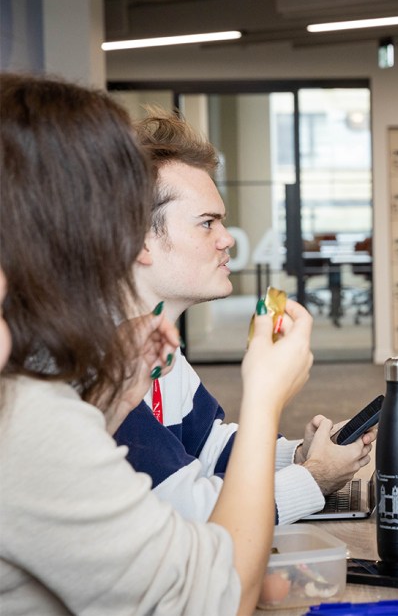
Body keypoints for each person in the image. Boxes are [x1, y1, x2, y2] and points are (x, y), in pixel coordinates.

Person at [0, 73, 313, 614]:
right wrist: (264, 395)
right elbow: (217, 596)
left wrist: (104, 405)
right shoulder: (24, 413)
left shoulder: (93, 369)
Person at [112, 109, 374, 525]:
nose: (227, 237)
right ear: (140, 240)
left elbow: (210, 447)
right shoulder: (101, 369)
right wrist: (314, 477)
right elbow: (193, 514)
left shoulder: (160, 348)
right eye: (207, 223)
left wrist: (297, 455)